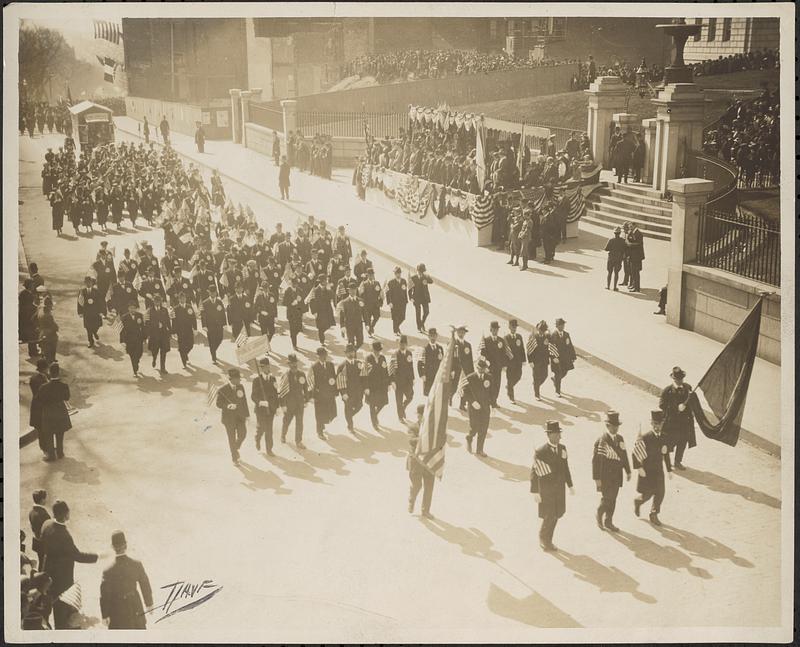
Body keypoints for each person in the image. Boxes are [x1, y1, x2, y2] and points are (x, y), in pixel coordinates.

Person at [40, 500, 99, 629]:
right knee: (63, 611)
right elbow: (77, 556)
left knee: (56, 607)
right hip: (62, 579)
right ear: (65, 514)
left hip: (49, 574)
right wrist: (97, 556)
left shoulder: (46, 524)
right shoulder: (63, 534)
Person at [530, 421, 574, 552]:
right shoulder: (541, 451)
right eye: (556, 434)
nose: (559, 437)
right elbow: (534, 471)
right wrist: (535, 492)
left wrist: (570, 485)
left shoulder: (562, 449)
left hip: (559, 489)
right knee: (549, 515)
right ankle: (544, 538)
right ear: (549, 435)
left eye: (559, 434)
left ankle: (549, 539)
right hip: (547, 490)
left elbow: (566, 468)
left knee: (557, 514)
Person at [99, 531, 153, 630]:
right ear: (126, 545)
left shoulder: (108, 570)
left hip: (116, 611)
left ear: (112, 547)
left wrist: (105, 614)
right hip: (135, 607)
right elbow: (145, 584)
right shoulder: (136, 564)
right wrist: (149, 604)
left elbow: (104, 595)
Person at [591, 411, 631, 532]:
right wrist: (597, 479)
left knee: (613, 499)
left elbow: (624, 456)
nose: (615, 428)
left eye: (617, 426)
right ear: (607, 426)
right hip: (605, 476)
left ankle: (609, 521)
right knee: (607, 498)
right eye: (613, 426)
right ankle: (599, 513)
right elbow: (596, 461)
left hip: (617, 475)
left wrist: (628, 471)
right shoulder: (602, 441)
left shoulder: (620, 439)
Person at [633, 410, 673, 526]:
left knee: (660, 492)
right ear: (651, 424)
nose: (656, 426)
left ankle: (653, 513)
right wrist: (639, 467)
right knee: (648, 493)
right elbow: (635, 454)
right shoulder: (646, 438)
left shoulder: (664, 437)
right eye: (654, 424)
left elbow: (666, 454)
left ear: (662, 424)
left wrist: (669, 469)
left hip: (659, 470)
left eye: (659, 424)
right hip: (647, 471)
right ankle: (638, 501)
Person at [659, 366, 696, 470]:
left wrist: (690, 408)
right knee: (668, 442)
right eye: (678, 380)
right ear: (674, 379)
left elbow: (691, 402)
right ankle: (667, 462)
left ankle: (677, 462)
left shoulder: (687, 388)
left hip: (684, 422)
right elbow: (661, 405)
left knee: (682, 442)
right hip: (671, 422)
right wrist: (676, 408)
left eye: (681, 379)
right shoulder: (667, 391)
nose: (680, 382)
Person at [37, 363, 71, 462]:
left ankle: (51, 455)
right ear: (59, 373)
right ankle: (60, 452)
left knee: (49, 433)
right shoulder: (64, 386)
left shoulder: (43, 387)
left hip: (48, 412)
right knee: (60, 432)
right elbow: (67, 397)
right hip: (60, 410)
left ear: (49, 372)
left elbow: (39, 399)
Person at [216, 368, 250, 465]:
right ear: (232, 379)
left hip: (240, 417)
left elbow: (244, 401)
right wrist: (227, 406)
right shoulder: (223, 390)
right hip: (228, 419)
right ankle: (235, 458)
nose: (240, 380)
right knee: (231, 438)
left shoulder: (240, 387)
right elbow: (218, 404)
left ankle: (235, 448)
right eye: (238, 378)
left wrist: (247, 415)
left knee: (243, 434)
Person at [407, 405, 435, 519]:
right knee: (417, 485)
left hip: (429, 461)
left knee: (429, 486)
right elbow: (412, 441)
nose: (421, 417)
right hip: (416, 462)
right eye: (419, 415)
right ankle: (411, 499)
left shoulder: (433, 427)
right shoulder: (413, 427)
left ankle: (425, 510)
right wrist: (425, 437)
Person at [462, 358, 492, 456]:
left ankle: (480, 450)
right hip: (474, 408)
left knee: (483, 429)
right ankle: (469, 437)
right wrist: (472, 402)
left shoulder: (489, 377)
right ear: (477, 368)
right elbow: (465, 392)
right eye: (480, 369)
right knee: (474, 427)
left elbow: (492, 392)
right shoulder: (470, 378)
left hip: (485, 407)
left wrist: (493, 405)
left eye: (483, 369)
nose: (482, 371)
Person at [279, 353, 308, 448]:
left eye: (295, 363)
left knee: (300, 423)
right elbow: (281, 391)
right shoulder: (285, 376)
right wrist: (283, 405)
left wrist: (306, 400)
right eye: (292, 363)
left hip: (300, 403)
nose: (294, 365)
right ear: (288, 364)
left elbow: (305, 388)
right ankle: (283, 435)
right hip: (289, 404)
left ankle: (298, 441)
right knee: (286, 421)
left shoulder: (301, 374)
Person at [307, 347, 337, 440]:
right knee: (319, 413)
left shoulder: (330, 365)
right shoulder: (313, 367)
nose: (324, 357)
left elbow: (334, 377)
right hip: (319, 395)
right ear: (318, 356)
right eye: (321, 355)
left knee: (332, 413)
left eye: (325, 355)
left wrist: (335, 391)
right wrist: (311, 396)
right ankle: (319, 431)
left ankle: (323, 423)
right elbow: (310, 382)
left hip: (329, 394)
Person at [251, 357, 279, 454]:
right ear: (261, 368)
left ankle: (269, 449)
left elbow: (276, 394)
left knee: (269, 430)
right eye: (263, 367)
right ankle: (257, 438)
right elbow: (253, 396)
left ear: (269, 366)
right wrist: (261, 402)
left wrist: (277, 407)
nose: (266, 368)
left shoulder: (273, 379)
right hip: (260, 410)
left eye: (267, 366)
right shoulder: (256, 380)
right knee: (262, 428)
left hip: (270, 409)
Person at [479, 321, 509, 408]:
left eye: (497, 329)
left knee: (497, 384)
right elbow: (483, 354)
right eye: (494, 329)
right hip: (489, 367)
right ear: (490, 329)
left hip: (498, 367)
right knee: (488, 384)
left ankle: (494, 401)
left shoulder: (501, 340)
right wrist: (485, 366)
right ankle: (488, 400)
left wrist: (504, 365)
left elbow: (504, 354)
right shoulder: (486, 340)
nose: (495, 331)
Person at [337, 344, 366, 433]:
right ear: (346, 354)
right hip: (348, 393)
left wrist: (365, 388)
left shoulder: (359, 364)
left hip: (358, 392)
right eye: (349, 352)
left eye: (352, 352)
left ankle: (349, 416)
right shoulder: (342, 366)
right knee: (348, 408)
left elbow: (364, 377)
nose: (351, 354)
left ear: (354, 353)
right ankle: (350, 425)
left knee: (359, 406)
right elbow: (339, 380)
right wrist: (343, 393)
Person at [364, 340, 390, 430]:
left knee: (383, 402)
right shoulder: (368, 358)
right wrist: (366, 387)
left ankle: (374, 415)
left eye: (379, 350)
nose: (377, 352)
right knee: (372, 404)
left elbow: (385, 370)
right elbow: (365, 373)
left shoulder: (383, 358)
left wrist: (388, 383)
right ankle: (374, 422)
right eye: (376, 350)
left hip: (381, 385)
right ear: (373, 350)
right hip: (372, 386)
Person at [389, 335, 415, 422]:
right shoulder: (395, 355)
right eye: (400, 344)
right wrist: (392, 381)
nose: (402, 346)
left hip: (408, 381)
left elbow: (411, 367)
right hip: (398, 381)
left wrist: (413, 378)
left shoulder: (409, 354)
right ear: (398, 344)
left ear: (407, 344)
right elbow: (391, 369)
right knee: (398, 400)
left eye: (404, 344)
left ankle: (403, 407)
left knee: (410, 396)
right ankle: (400, 417)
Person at [549, 317, 576, 397]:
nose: (563, 326)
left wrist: (573, 356)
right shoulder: (553, 335)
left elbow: (570, 346)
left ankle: (555, 379)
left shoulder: (566, 334)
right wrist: (553, 357)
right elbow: (551, 347)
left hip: (565, 358)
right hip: (557, 359)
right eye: (561, 325)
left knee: (565, 372)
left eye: (563, 325)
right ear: (557, 326)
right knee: (558, 373)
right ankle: (557, 391)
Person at [201, 285, 227, 364]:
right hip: (210, 326)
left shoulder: (219, 302)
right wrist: (204, 325)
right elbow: (203, 315)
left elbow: (222, 313)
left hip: (219, 325)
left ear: (216, 293)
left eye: (214, 292)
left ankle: (213, 350)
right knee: (211, 341)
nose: (213, 294)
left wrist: (225, 324)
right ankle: (214, 357)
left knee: (220, 338)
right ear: (209, 293)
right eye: (211, 293)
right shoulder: (205, 302)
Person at [146, 293, 172, 373]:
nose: (157, 303)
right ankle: (154, 359)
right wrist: (149, 334)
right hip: (154, 334)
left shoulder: (164, 310)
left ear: (161, 301)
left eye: (159, 301)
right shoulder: (150, 310)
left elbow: (168, 321)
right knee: (155, 351)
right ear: (153, 302)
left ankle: (162, 368)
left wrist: (170, 332)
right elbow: (147, 323)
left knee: (163, 351)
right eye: (156, 301)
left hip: (163, 334)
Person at [337, 280, 364, 349]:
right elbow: (342, 315)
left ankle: (354, 351)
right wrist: (342, 326)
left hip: (359, 325)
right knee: (351, 343)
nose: (353, 291)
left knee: (360, 342)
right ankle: (353, 356)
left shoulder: (360, 300)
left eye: (354, 289)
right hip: (349, 326)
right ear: (348, 291)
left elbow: (365, 313)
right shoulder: (344, 302)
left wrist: (367, 324)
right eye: (351, 290)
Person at [451, 325, 473, 410]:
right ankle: (450, 398)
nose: (461, 334)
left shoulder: (468, 345)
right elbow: (451, 358)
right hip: (456, 369)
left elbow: (470, 358)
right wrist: (451, 370)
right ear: (457, 333)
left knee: (465, 387)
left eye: (463, 332)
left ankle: (462, 404)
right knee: (454, 386)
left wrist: (471, 372)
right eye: (459, 332)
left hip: (466, 370)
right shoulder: (454, 343)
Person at [77, 275, 102, 348]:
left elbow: (100, 301)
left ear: (92, 283)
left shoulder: (96, 291)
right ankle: (90, 341)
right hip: (87, 313)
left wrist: (101, 311)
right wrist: (80, 312)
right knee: (88, 327)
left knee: (97, 325)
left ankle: (95, 332)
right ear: (85, 283)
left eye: (89, 282)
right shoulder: (82, 291)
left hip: (95, 312)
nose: (88, 284)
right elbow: (79, 302)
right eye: (86, 282)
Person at [504, 319, 525, 404]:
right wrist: (505, 364)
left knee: (518, 376)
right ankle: (511, 396)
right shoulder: (506, 338)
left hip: (518, 362)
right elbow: (504, 352)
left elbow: (522, 349)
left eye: (515, 327)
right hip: (510, 363)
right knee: (510, 378)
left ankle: (509, 387)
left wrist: (524, 360)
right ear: (509, 327)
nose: (514, 328)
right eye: (512, 327)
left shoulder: (519, 337)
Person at [418, 328, 443, 397]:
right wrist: (422, 375)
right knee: (428, 395)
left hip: (437, 376)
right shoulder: (425, 349)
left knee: (437, 395)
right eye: (431, 336)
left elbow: (442, 362)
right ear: (428, 336)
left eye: (434, 335)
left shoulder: (440, 348)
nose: (433, 338)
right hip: (428, 376)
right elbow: (420, 363)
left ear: (436, 336)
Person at [29, 489, 51, 569]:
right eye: (45, 498)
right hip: (45, 544)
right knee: (45, 566)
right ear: (42, 500)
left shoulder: (31, 512)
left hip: (37, 542)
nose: (46, 500)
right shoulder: (43, 514)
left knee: (41, 563)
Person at [408, 264, 433, 332]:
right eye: (420, 271)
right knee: (418, 313)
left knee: (426, 312)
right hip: (416, 298)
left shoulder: (425, 277)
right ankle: (419, 327)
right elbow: (410, 288)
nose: (421, 273)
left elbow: (431, 281)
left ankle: (422, 324)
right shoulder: (413, 278)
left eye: (422, 271)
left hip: (424, 298)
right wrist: (410, 297)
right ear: (417, 270)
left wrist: (427, 278)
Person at [358, 267, 383, 337]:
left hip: (375, 305)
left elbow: (380, 293)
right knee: (367, 320)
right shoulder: (364, 283)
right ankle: (369, 332)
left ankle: (372, 327)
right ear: (367, 275)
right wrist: (361, 304)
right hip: (367, 305)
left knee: (377, 317)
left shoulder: (377, 283)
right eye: (370, 275)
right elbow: (361, 294)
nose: (371, 276)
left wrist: (381, 302)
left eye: (372, 274)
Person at [385, 266, 408, 336]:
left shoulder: (404, 281)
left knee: (402, 317)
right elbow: (387, 293)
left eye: (398, 273)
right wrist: (389, 302)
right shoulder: (391, 282)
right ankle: (396, 331)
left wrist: (406, 300)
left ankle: (396, 328)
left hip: (402, 302)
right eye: (396, 273)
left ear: (400, 273)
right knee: (395, 317)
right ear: (394, 274)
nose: (397, 274)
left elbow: (405, 291)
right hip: (394, 303)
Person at [626, 223, 645, 292]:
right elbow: (628, 239)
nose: (630, 228)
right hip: (632, 255)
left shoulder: (638, 233)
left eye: (631, 226)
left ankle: (637, 288)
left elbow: (639, 244)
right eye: (629, 227)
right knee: (632, 271)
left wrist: (630, 244)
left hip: (637, 256)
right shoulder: (631, 232)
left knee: (636, 272)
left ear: (634, 226)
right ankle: (634, 285)